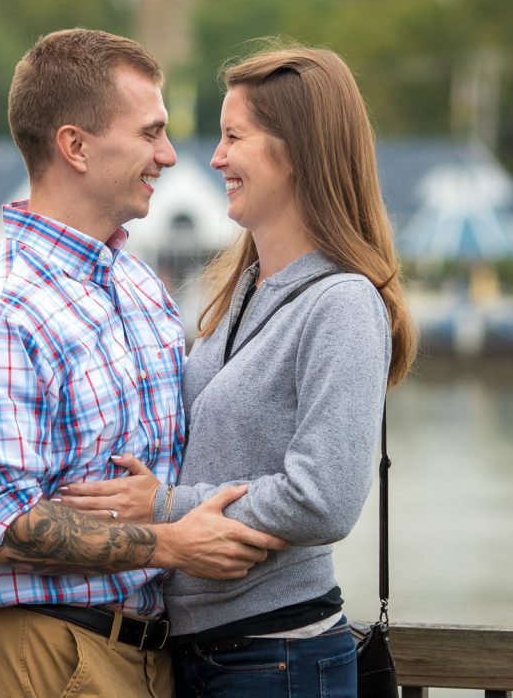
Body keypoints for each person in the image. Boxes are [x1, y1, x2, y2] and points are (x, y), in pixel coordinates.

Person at [0, 28, 287, 698]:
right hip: (32, 657)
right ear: (76, 146)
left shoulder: (137, 284)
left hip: (147, 656)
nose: (170, 156)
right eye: (150, 133)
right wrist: (172, 544)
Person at [59, 42, 418, 697]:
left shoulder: (341, 301)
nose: (216, 157)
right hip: (204, 654)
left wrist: (165, 507)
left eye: (233, 136)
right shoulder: (243, 291)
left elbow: (325, 499)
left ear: (297, 150)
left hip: (276, 657)